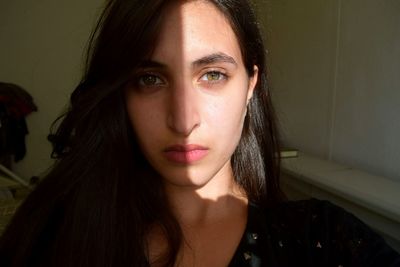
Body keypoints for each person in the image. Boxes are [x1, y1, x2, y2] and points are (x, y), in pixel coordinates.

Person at [0, 0, 399, 266]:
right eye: (150, 78)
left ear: (249, 86)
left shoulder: (328, 243)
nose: (183, 119)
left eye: (212, 75)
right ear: (121, 91)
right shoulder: (54, 235)